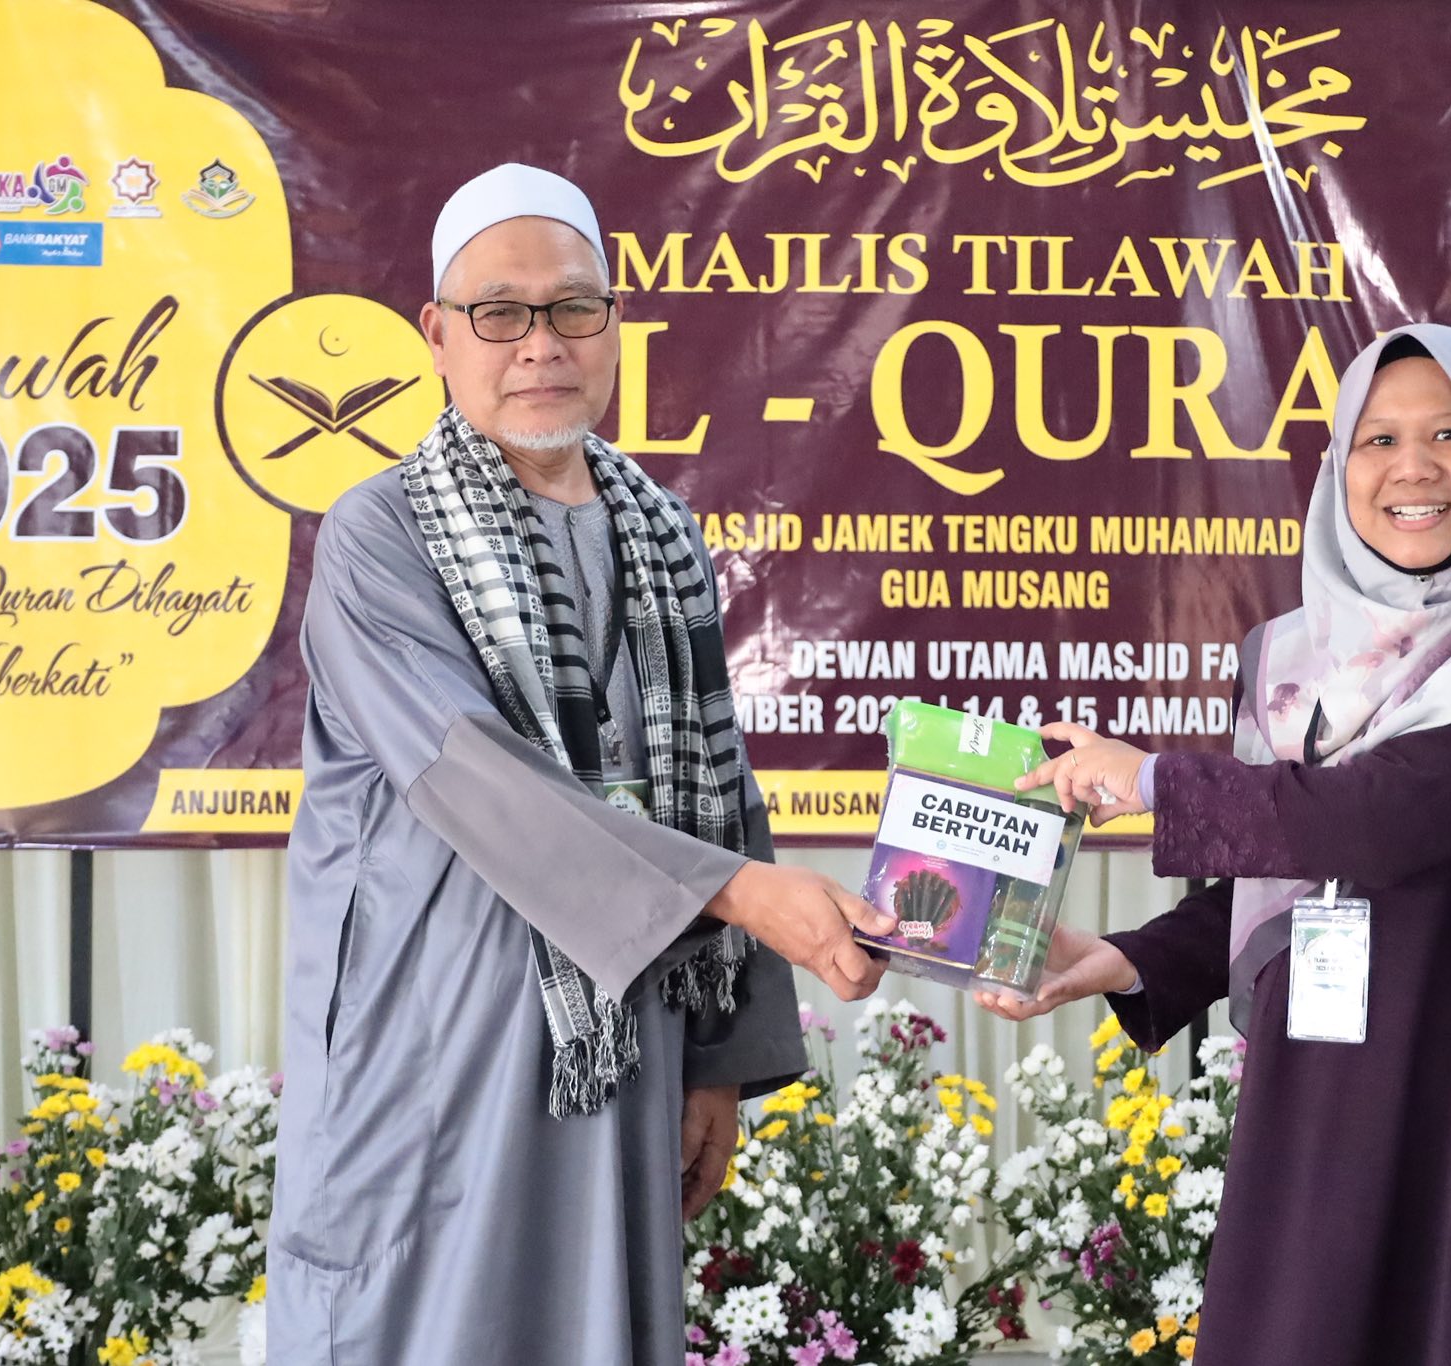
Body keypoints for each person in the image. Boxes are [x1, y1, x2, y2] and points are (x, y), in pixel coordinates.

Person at [268, 164, 893, 1364]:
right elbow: (474, 776)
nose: (539, 344)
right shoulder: (380, 534)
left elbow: (719, 788)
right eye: (499, 312)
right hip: (433, 1049)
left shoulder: (659, 536)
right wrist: (738, 895)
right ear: (437, 335)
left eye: (571, 307)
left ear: (612, 326)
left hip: (628, 1038)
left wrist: (718, 1062)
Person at [978, 324, 1451, 1365]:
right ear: (1338, 466)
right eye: (1378, 440)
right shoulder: (1290, 665)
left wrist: (1150, 781)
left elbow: (1386, 820)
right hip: (1314, 1119)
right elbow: (1277, 879)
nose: (1411, 468)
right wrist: (1123, 959)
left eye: (1450, 434)